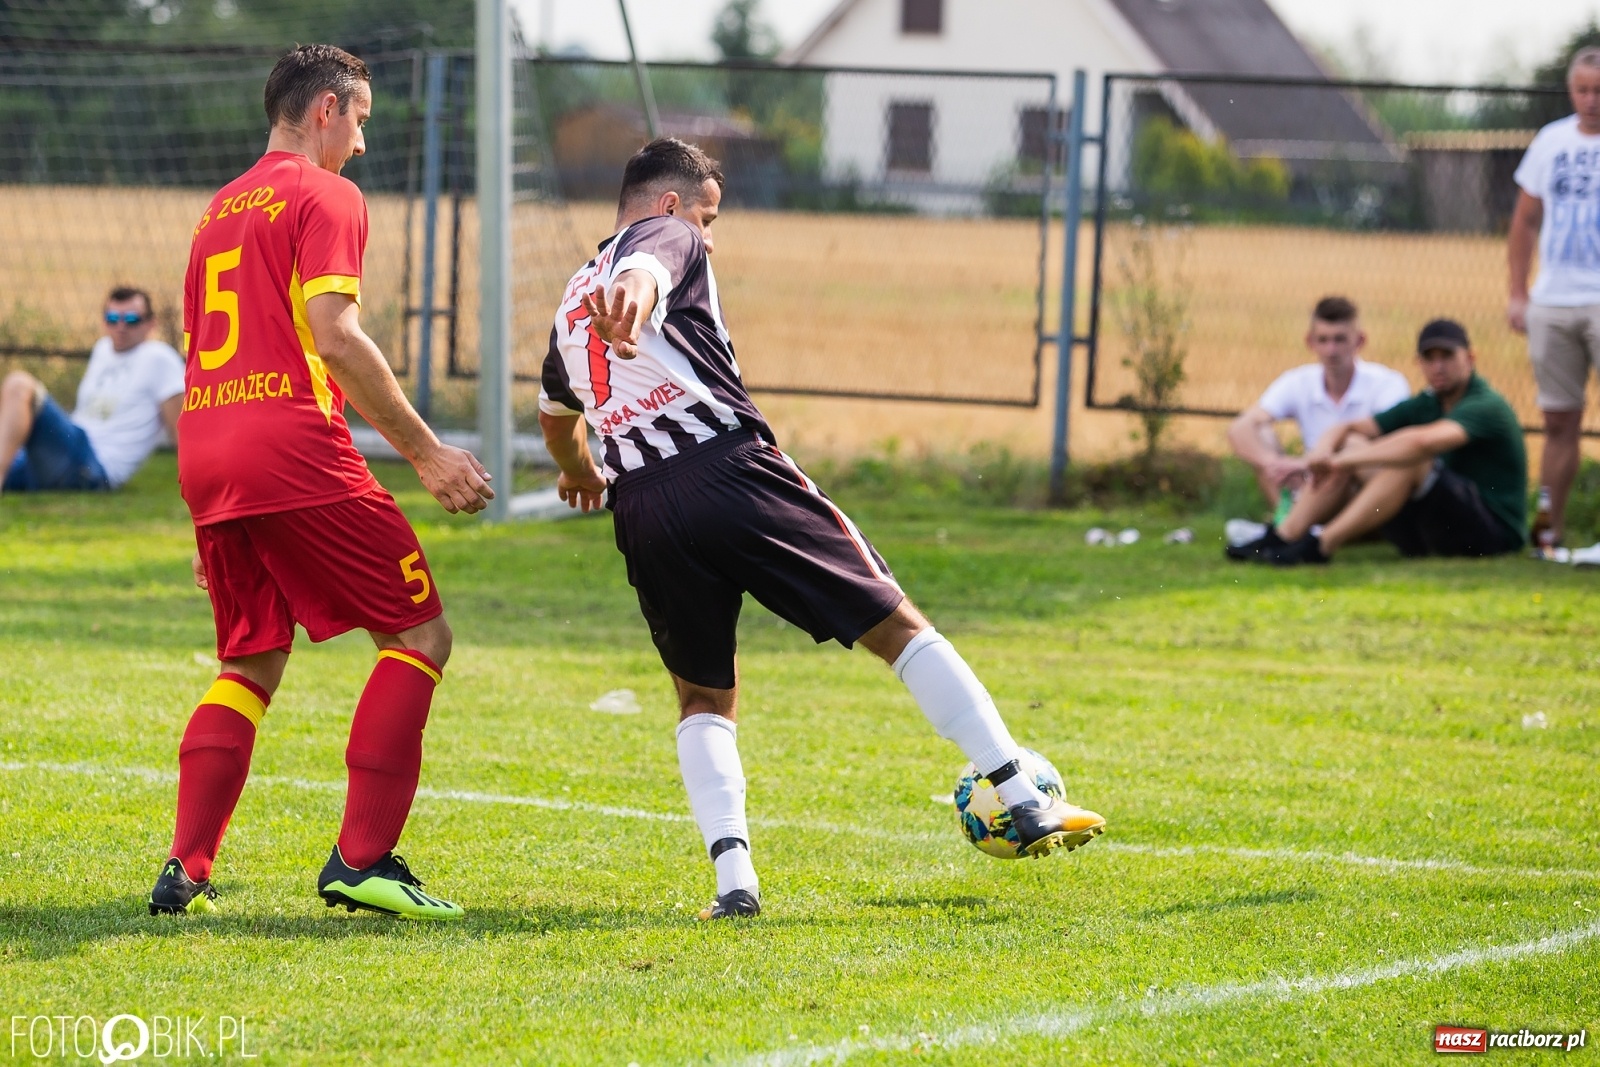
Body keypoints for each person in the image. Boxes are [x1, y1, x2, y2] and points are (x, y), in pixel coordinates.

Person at [538, 137, 1105, 921]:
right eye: (709, 216)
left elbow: (555, 409)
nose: (711, 235)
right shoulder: (665, 238)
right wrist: (634, 305)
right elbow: (649, 272)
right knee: (896, 624)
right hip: (731, 473)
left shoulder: (571, 296)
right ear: (672, 204)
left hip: (643, 506)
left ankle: (734, 885)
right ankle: (1022, 793)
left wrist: (575, 471)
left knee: (703, 694)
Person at [149, 44, 493, 921]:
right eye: (363, 121)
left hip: (208, 452)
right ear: (328, 109)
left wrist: (205, 517)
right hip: (293, 447)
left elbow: (204, 355)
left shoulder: (216, 210)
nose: (363, 147)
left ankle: (186, 865)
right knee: (421, 635)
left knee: (250, 659)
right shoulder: (326, 193)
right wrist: (427, 453)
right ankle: (363, 858)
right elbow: (333, 336)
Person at [1238, 319, 1525, 566]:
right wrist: (1321, 453)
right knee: (1353, 442)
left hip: (1489, 534)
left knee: (1408, 458)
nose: (1438, 366)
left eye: (1447, 356)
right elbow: (1347, 427)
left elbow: (1422, 442)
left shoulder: (1486, 405)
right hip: (1435, 527)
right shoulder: (1427, 402)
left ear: (1471, 358)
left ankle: (1320, 545)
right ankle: (1284, 535)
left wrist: (1334, 462)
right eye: (1429, 358)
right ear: (1419, 363)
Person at [1508, 46, 1600, 547]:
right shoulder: (1551, 141)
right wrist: (1518, 292)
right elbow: (1524, 220)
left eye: (1599, 91)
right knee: (1559, 419)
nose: (1591, 101)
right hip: (1555, 300)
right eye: (1583, 90)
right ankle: (1550, 532)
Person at [1225, 296, 1410, 537]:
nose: (1331, 350)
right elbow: (1241, 427)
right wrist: (1273, 464)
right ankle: (1291, 523)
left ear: (1360, 340)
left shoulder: (1388, 384)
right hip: (1312, 483)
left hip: (1360, 487)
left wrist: (1305, 464)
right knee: (1260, 433)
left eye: (1340, 339)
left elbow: (1389, 449)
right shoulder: (1298, 381)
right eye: (1323, 340)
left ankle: (1290, 530)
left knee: (1352, 446)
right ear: (1310, 341)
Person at [1, 288, 184, 493]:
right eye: (112, 318)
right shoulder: (103, 348)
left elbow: (181, 430)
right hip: (66, 452)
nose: (121, 326)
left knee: (19, 385)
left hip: (93, 467)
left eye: (131, 319)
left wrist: (194, 484)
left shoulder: (160, 359)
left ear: (151, 323)